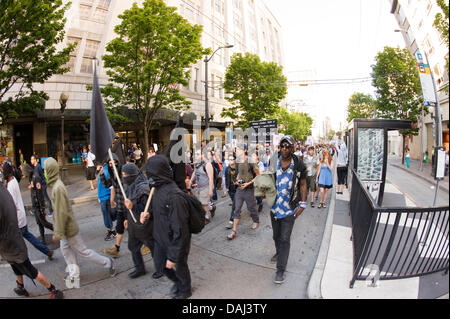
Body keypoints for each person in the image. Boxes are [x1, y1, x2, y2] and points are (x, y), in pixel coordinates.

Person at [44, 157, 116, 281]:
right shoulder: (56, 186)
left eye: (45, 170)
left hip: (69, 228)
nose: (44, 172)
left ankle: (108, 262)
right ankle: (74, 274)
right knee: (66, 250)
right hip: (66, 228)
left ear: (50, 171)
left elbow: (61, 213)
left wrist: (58, 233)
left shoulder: (58, 188)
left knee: (83, 251)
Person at [0, 183, 63, 299]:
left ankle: (53, 289)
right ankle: (20, 286)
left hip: (10, 244)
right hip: (12, 239)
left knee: (29, 269)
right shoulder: (4, 190)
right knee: (15, 266)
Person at [143, 155, 192, 299]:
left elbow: (181, 230)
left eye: (150, 172)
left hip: (176, 242)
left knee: (180, 267)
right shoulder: (156, 189)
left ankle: (185, 290)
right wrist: (148, 215)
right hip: (161, 238)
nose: (148, 176)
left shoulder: (175, 196)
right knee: (162, 266)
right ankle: (178, 283)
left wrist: (173, 255)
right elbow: (157, 210)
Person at [269, 135, 307, 284]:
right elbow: (267, 177)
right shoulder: (273, 160)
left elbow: (303, 184)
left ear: (292, 148)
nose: (284, 148)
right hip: (274, 207)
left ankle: (280, 270)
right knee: (276, 236)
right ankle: (279, 253)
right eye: (282, 146)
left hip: (289, 209)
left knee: (285, 239)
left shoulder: (298, 164)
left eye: (287, 146)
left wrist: (302, 204)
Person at [2, 162, 54, 261]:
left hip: (17, 219)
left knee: (14, 240)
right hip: (20, 216)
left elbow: (11, 204)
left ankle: (23, 261)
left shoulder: (11, 185)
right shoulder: (13, 182)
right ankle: (47, 251)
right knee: (29, 236)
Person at [122, 162, 162, 279]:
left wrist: (133, 207)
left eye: (125, 175)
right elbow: (127, 204)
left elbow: (147, 209)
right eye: (122, 174)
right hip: (133, 224)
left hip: (145, 226)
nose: (124, 177)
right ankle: (139, 268)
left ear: (132, 174)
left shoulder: (143, 188)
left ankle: (160, 269)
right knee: (133, 246)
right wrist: (125, 218)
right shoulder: (129, 186)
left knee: (153, 247)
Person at [227, 145, 260, 240]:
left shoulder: (251, 161)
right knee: (236, 209)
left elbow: (258, 175)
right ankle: (234, 231)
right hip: (240, 189)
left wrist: (248, 183)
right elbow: (237, 173)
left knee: (251, 208)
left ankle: (256, 220)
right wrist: (236, 180)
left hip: (249, 189)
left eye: (239, 150)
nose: (236, 151)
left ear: (245, 150)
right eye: (236, 150)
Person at [22, 164, 54, 244]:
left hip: (38, 206)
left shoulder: (36, 177)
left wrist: (42, 208)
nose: (24, 174)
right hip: (35, 205)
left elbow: (40, 194)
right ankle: (43, 239)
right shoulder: (31, 177)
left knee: (44, 223)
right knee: (39, 223)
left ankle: (58, 231)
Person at [102, 154, 126, 259]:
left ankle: (148, 245)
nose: (112, 165)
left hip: (128, 206)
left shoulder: (123, 172)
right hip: (120, 206)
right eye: (110, 164)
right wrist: (102, 175)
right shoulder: (112, 175)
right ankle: (116, 248)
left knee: (137, 228)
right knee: (119, 228)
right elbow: (107, 185)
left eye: (114, 163)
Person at [190, 148, 215, 224]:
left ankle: (206, 217)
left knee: (203, 203)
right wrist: (191, 181)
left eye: (198, 154)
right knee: (201, 202)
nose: (196, 156)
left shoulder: (208, 164)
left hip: (206, 186)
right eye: (195, 154)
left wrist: (210, 190)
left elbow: (211, 178)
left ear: (202, 155)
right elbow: (195, 172)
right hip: (199, 187)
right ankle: (211, 208)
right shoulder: (197, 163)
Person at [97, 163, 116, 241]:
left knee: (107, 215)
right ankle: (111, 230)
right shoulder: (102, 170)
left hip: (106, 197)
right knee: (107, 215)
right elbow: (99, 184)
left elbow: (111, 187)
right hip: (102, 196)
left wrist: (111, 200)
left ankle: (111, 232)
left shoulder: (107, 171)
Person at [224, 157, 237, 229]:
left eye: (232, 159)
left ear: (235, 160)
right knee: (235, 203)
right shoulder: (227, 169)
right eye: (229, 160)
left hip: (238, 189)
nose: (230, 161)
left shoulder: (238, 168)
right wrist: (227, 188)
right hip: (231, 189)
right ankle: (237, 212)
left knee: (234, 205)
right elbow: (226, 178)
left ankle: (231, 221)